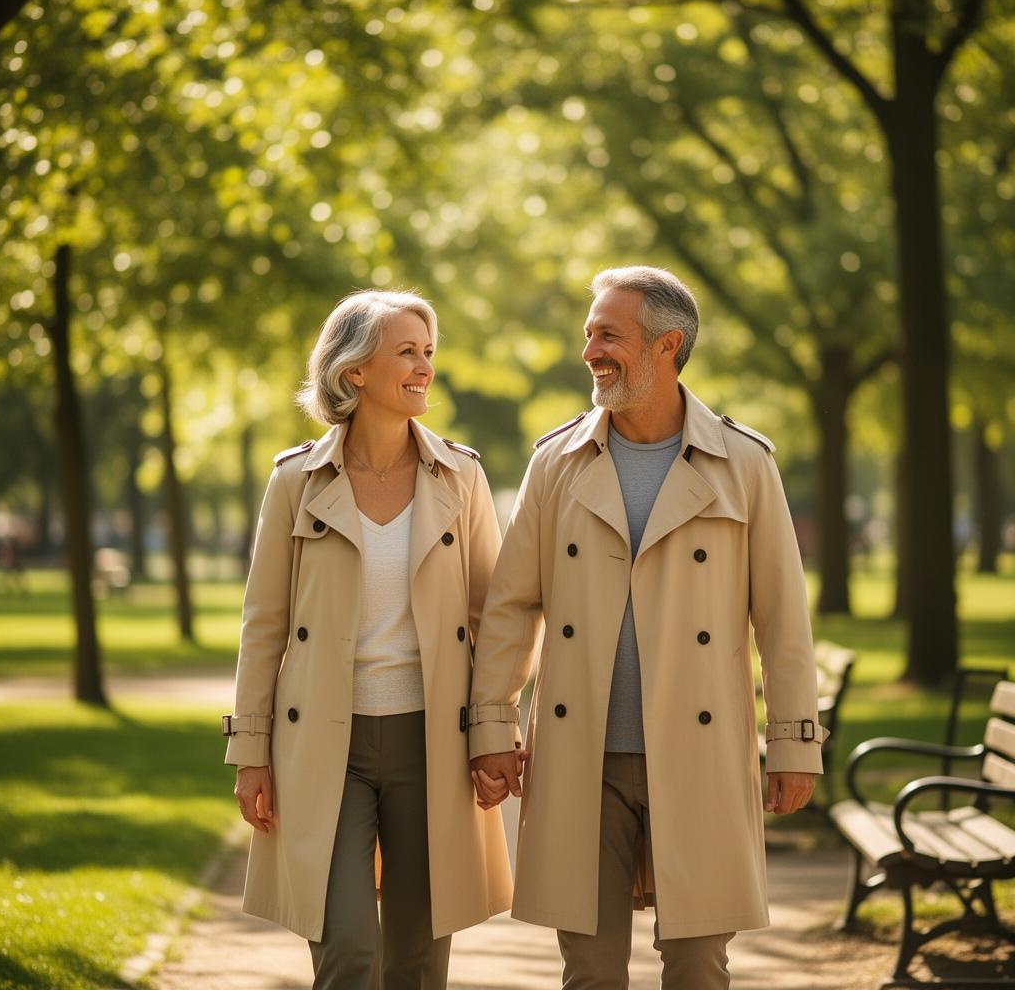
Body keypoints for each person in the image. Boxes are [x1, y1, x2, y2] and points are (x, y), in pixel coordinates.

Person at [468, 266, 827, 989]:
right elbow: (510, 606)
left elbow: (783, 619)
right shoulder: (555, 463)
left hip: (701, 753)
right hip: (579, 757)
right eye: (588, 334)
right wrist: (490, 726)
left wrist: (795, 743)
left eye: (608, 335)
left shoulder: (745, 464)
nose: (589, 351)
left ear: (668, 346)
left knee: (698, 966)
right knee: (591, 971)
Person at [223, 290, 512, 990]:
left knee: (415, 960)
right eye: (407, 352)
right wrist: (250, 752)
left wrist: (494, 731)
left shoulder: (462, 476)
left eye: (429, 352)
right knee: (349, 952)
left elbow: (493, 617)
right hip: (325, 744)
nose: (424, 368)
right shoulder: (296, 480)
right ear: (354, 371)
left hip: (432, 742)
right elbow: (263, 624)